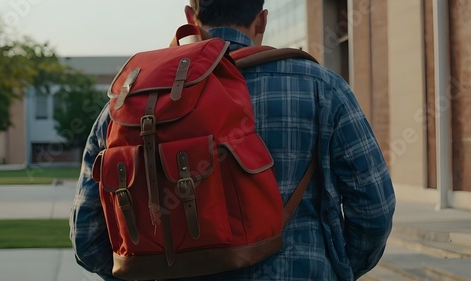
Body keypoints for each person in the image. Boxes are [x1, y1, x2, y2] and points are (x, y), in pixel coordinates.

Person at [70, 0, 396, 280]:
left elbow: (87, 236)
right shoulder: (322, 86)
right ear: (262, 19)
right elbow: (373, 210)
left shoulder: (134, 99)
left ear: (190, 17)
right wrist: (334, 268)